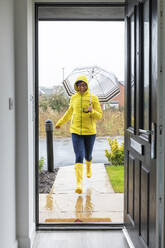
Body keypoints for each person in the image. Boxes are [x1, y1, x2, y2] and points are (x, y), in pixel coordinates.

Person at [55, 75, 102, 194]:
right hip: (76, 131)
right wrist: (60, 122)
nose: (82, 87)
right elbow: (69, 112)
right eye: (79, 85)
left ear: (87, 85)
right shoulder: (73, 98)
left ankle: (89, 166)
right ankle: (79, 183)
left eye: (84, 85)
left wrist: (92, 111)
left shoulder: (93, 98)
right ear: (76, 86)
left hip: (90, 132)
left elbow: (99, 116)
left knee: (88, 154)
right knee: (79, 155)